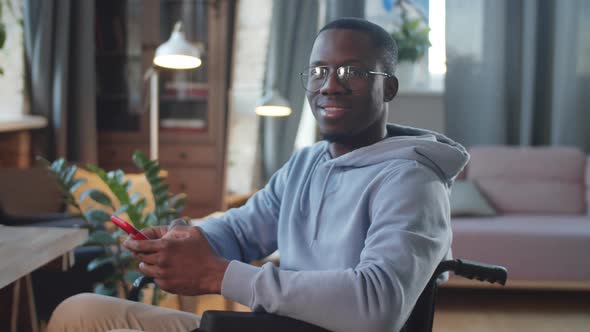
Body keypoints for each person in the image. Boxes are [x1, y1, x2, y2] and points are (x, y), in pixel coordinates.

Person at [47, 17, 468, 332]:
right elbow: (241, 229)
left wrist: (216, 274)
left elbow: (378, 306)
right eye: (319, 70)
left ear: (388, 88)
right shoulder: (306, 164)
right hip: (265, 325)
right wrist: (185, 240)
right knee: (78, 310)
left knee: (81, 315)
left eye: (352, 72)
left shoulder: (413, 182)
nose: (330, 85)